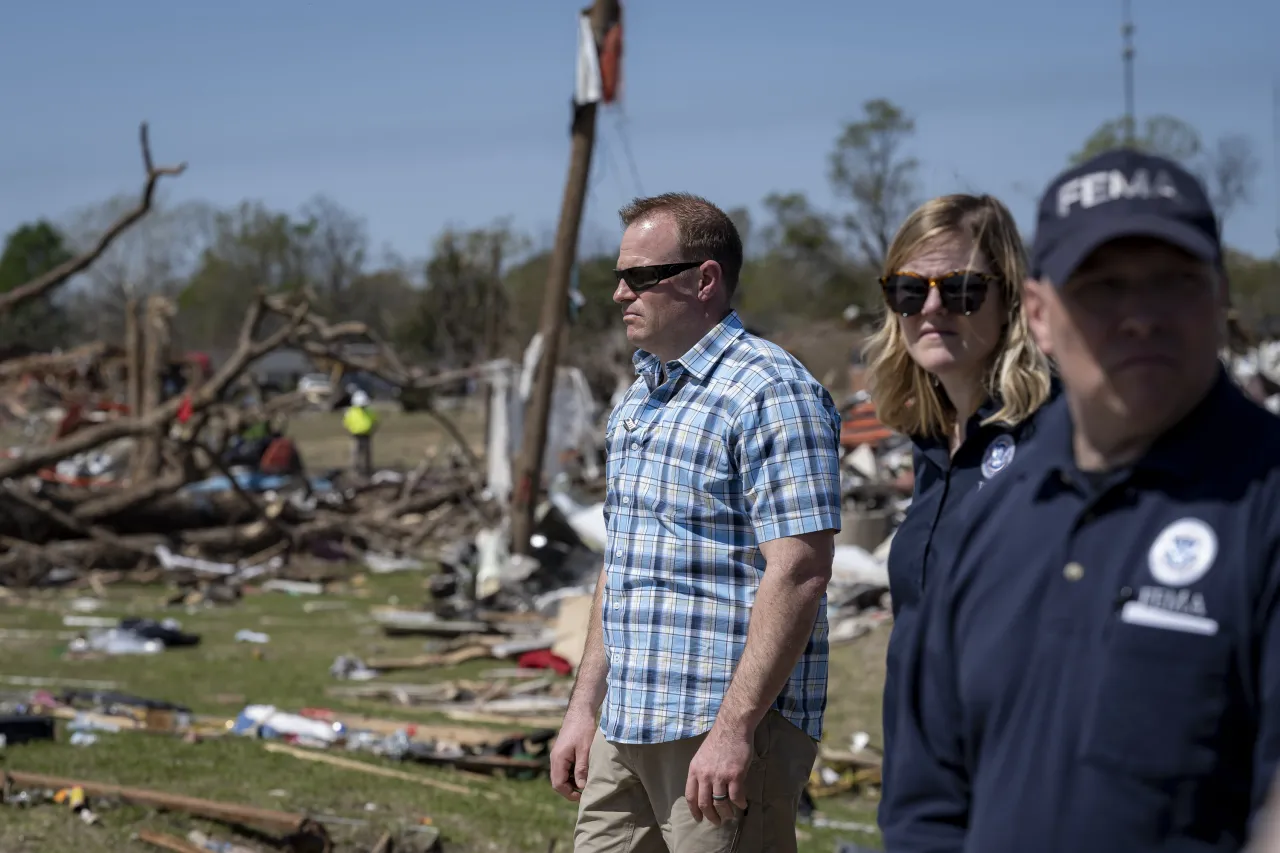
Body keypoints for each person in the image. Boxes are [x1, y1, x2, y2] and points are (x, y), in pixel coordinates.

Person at [880, 148, 1280, 853]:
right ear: (1039, 310)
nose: (1139, 316)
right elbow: (928, 795)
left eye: (1173, 283)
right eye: (1100, 287)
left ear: (1220, 295)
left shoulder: (1263, 501)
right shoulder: (997, 512)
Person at [549, 192, 843, 852]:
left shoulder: (771, 390)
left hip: (722, 730)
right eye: (618, 275)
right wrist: (583, 711)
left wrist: (735, 727)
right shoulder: (639, 399)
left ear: (703, 280)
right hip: (625, 727)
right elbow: (622, 562)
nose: (621, 293)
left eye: (640, 276)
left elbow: (799, 569)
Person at [866, 194, 1055, 821]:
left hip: (1025, 789)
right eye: (909, 291)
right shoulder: (929, 443)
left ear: (1011, 299)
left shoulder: (1059, 435)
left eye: (964, 289)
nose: (933, 308)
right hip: (927, 792)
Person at [342, 388, 377, 476]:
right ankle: (355, 471)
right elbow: (346, 423)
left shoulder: (369, 411)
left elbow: (375, 421)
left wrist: (372, 430)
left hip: (366, 435)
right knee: (355, 455)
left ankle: (367, 471)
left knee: (367, 455)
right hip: (356, 436)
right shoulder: (351, 412)